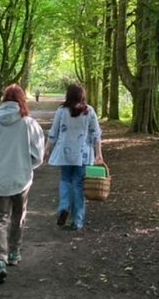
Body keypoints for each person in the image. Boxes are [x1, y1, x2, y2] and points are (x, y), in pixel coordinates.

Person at [0, 84, 45, 284]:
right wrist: (29, 166)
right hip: (21, 178)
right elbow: (38, 153)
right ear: (21, 100)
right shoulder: (28, 123)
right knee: (19, 215)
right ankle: (14, 253)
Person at [44, 83, 103, 231]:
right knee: (78, 185)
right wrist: (99, 155)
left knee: (65, 180)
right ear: (83, 95)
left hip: (65, 153)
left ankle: (64, 207)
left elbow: (53, 132)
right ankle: (77, 221)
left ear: (68, 95)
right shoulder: (89, 111)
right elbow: (96, 135)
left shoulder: (62, 111)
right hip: (83, 155)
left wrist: (46, 149)